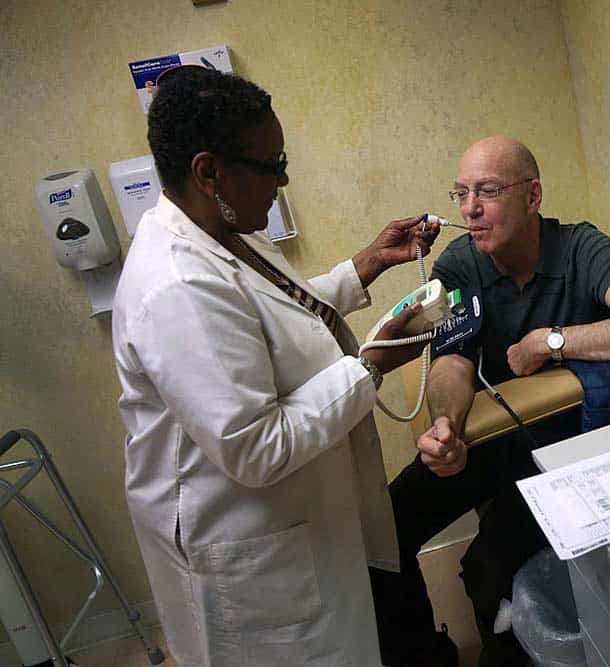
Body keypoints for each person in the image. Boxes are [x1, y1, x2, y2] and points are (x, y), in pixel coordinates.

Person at [111, 66, 441, 666]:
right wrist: (370, 364)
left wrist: (363, 266)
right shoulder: (176, 286)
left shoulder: (221, 231)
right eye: (270, 165)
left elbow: (267, 319)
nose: (283, 178)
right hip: (246, 549)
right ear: (208, 171)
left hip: (299, 520)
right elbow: (256, 446)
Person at [369, 136, 610, 666]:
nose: (470, 208)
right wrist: (445, 427)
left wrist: (552, 340)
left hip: (576, 441)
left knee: (486, 565)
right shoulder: (462, 262)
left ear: (532, 196)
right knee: (382, 530)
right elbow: (452, 360)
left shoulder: (580, 246)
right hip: (497, 435)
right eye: (461, 193)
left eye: (488, 191)